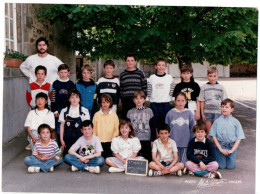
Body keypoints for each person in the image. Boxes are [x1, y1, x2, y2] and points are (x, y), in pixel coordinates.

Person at [209, 98, 245, 169]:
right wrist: (220, 149)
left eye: (226, 107)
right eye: (222, 107)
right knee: (221, 166)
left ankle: (229, 157)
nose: (224, 109)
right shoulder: (217, 121)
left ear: (232, 109)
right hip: (220, 147)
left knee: (230, 167)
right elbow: (213, 136)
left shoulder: (235, 122)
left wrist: (232, 150)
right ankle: (218, 158)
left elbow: (239, 137)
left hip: (231, 147)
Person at [165, 92, 195, 164]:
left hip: (186, 143)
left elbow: (193, 129)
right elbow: (166, 129)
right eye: (178, 101)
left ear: (186, 102)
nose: (180, 103)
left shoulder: (189, 113)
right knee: (174, 162)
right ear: (175, 101)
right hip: (173, 143)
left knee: (184, 163)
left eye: (182, 101)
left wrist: (192, 141)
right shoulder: (170, 113)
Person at [59, 89, 90, 155]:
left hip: (80, 140)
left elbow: (86, 128)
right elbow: (62, 126)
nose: (74, 99)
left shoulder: (84, 111)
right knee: (67, 157)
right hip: (67, 140)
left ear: (79, 99)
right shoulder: (64, 111)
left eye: (76, 97)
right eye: (72, 97)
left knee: (81, 155)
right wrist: (62, 140)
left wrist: (86, 141)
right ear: (69, 99)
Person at [147, 58, 175, 131]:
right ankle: (155, 137)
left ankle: (165, 136)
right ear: (155, 66)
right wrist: (149, 98)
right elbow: (149, 90)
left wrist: (170, 96)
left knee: (165, 121)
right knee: (155, 121)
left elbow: (172, 87)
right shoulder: (152, 77)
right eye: (159, 65)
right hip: (154, 103)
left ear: (166, 67)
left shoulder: (169, 77)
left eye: (163, 65)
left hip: (165, 103)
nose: (161, 67)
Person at [199, 66, 227, 134]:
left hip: (217, 112)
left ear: (217, 76)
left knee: (216, 132)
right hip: (207, 112)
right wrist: (202, 113)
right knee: (209, 132)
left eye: (214, 76)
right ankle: (209, 144)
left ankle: (215, 145)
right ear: (207, 76)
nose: (212, 78)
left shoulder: (221, 88)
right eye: (210, 76)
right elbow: (202, 101)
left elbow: (224, 102)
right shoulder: (204, 87)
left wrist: (222, 113)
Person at [127, 90, 154, 161]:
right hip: (134, 139)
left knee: (147, 159)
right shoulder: (130, 112)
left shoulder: (149, 111)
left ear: (144, 100)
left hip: (146, 139)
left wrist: (153, 139)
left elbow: (153, 126)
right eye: (136, 98)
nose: (138, 100)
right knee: (135, 159)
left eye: (141, 98)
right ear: (133, 100)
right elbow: (128, 127)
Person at [51, 64, 75, 143]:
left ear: (68, 73)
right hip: (59, 108)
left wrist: (73, 108)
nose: (63, 74)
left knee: (68, 126)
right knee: (58, 127)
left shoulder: (71, 84)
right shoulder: (55, 83)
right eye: (61, 72)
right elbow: (53, 98)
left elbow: (73, 97)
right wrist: (54, 110)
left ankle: (67, 143)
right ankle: (61, 143)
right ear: (58, 73)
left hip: (69, 108)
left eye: (65, 72)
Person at [119, 53, 147, 119]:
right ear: (125, 62)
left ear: (135, 62)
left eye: (132, 60)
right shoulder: (122, 74)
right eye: (128, 60)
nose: (130, 62)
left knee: (138, 120)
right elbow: (121, 89)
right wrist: (122, 101)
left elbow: (144, 87)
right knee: (126, 120)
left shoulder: (140, 73)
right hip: (126, 101)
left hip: (138, 100)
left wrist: (143, 101)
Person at [93, 94, 119, 159]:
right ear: (100, 103)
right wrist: (95, 140)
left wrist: (113, 140)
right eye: (103, 102)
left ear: (110, 103)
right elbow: (94, 129)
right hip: (99, 142)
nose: (105, 104)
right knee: (99, 158)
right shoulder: (97, 115)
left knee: (109, 158)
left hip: (110, 142)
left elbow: (116, 129)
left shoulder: (114, 115)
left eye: (107, 102)